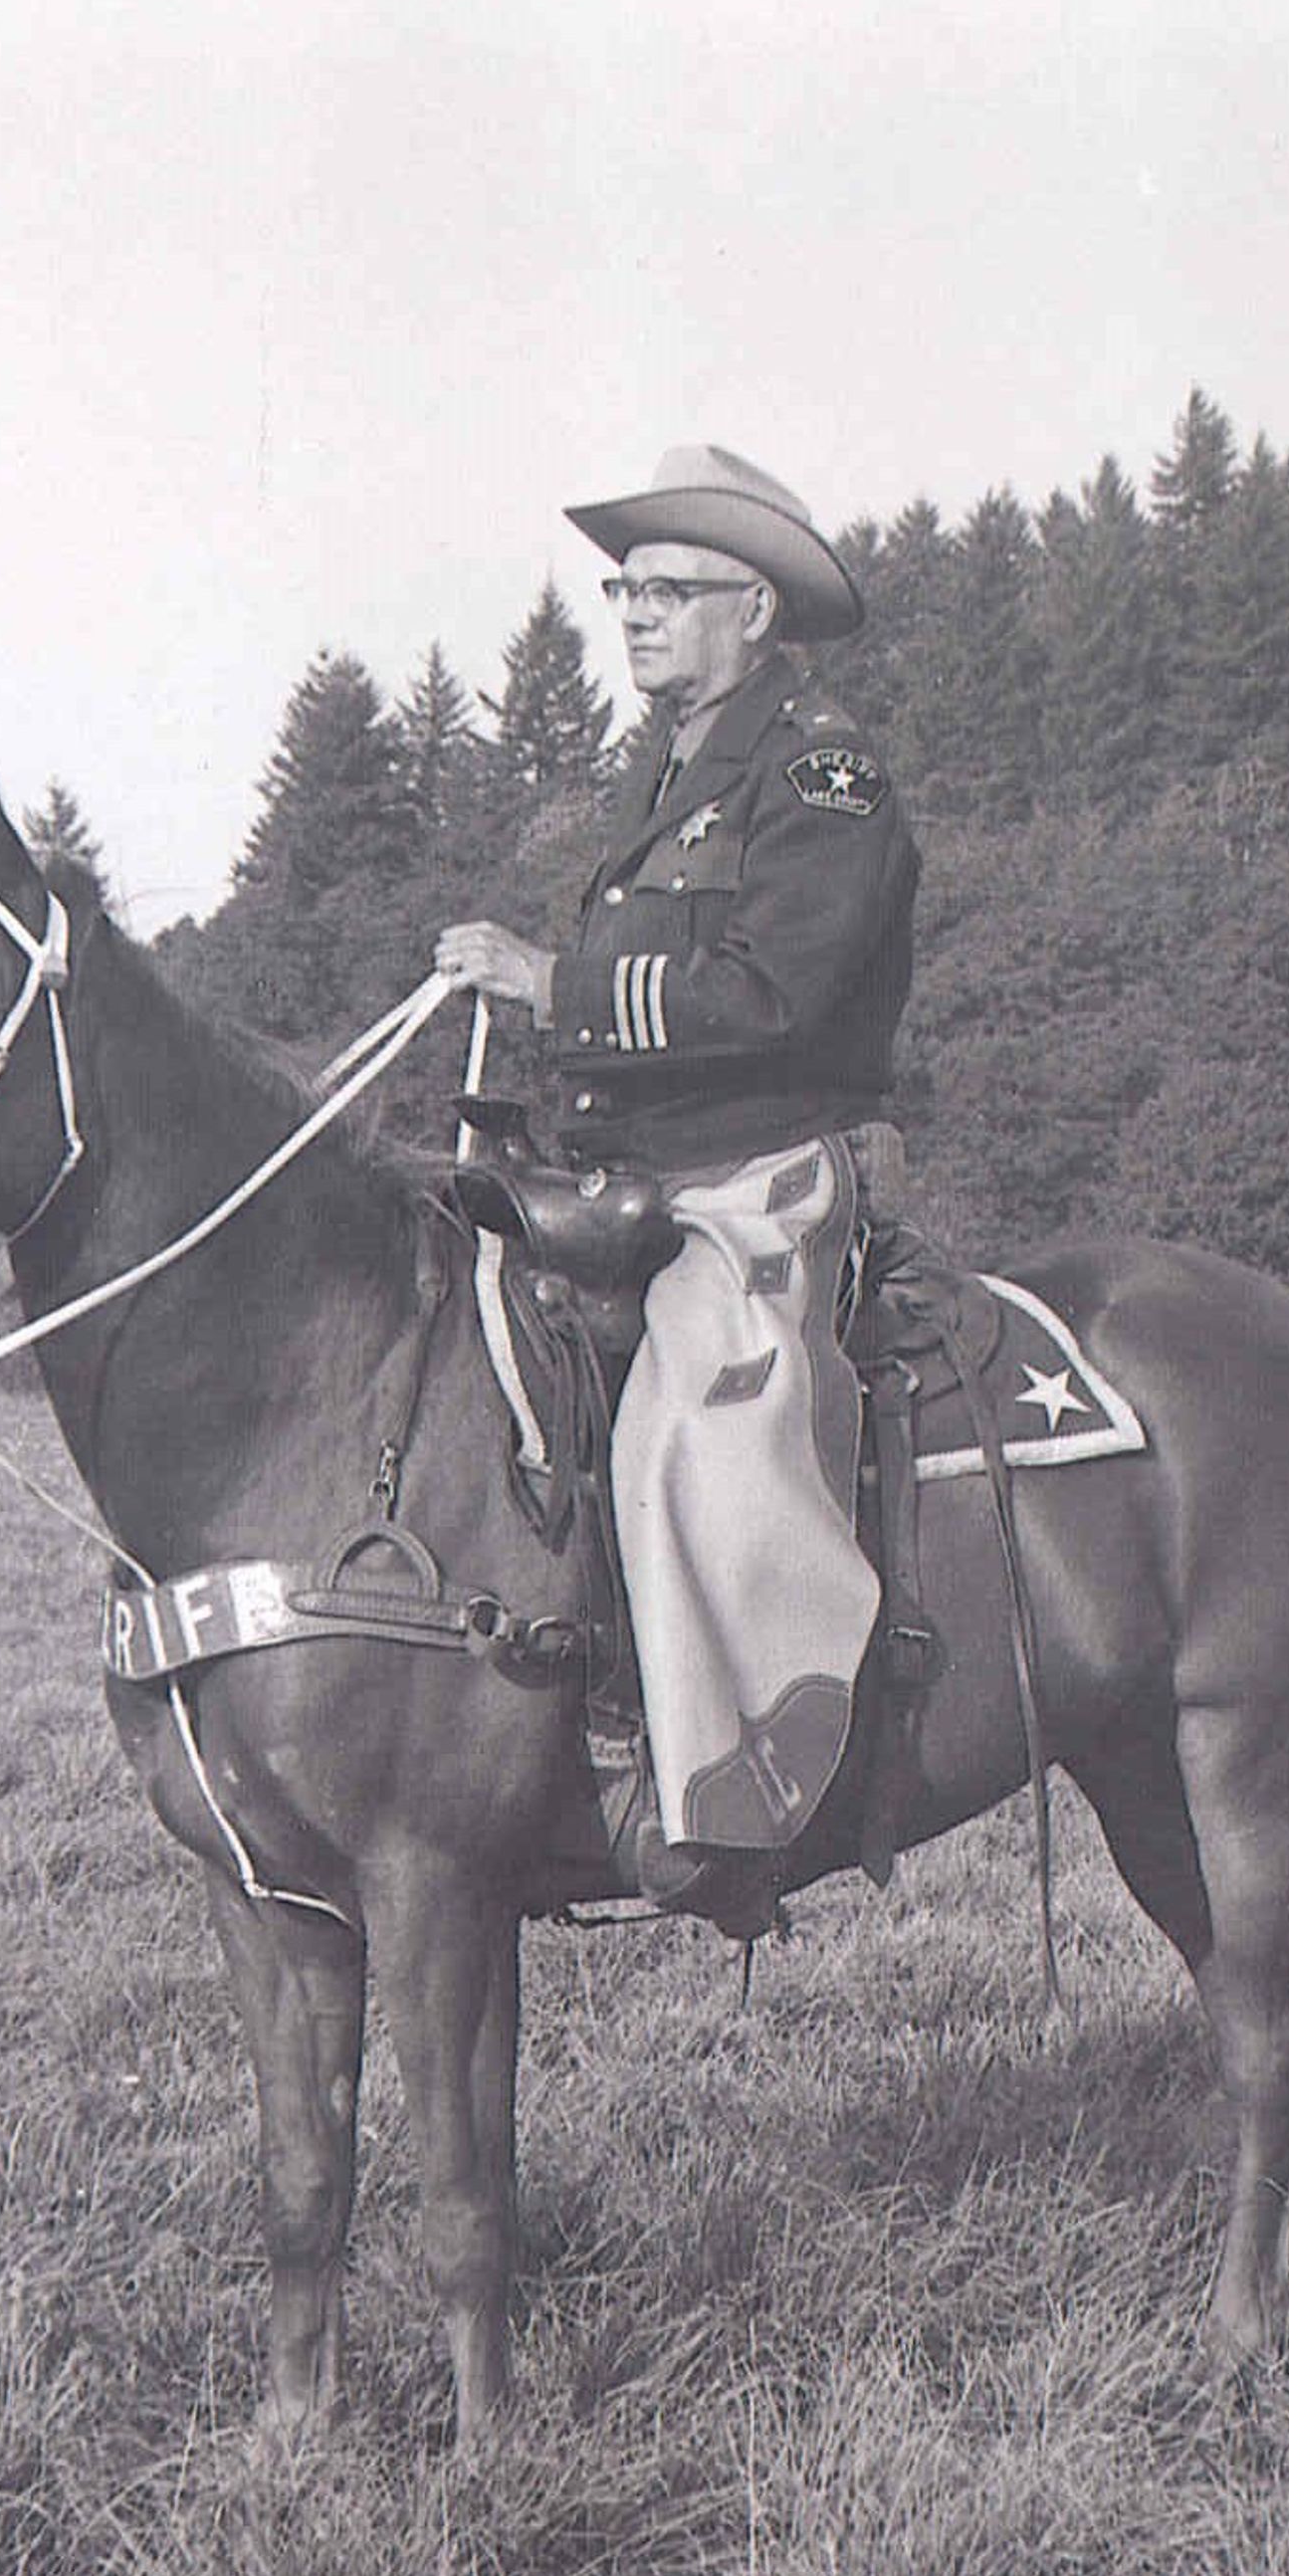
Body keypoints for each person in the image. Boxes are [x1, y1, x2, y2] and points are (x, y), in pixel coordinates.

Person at [434, 445, 920, 1925]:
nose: (632, 614)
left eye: (667, 589)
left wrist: (551, 981)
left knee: (680, 1434)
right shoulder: (662, 777)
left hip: (762, 1179)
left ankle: (713, 1789)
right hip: (639, 1172)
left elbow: (780, 995)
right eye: (622, 588)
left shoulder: (822, 776)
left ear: (752, 611)